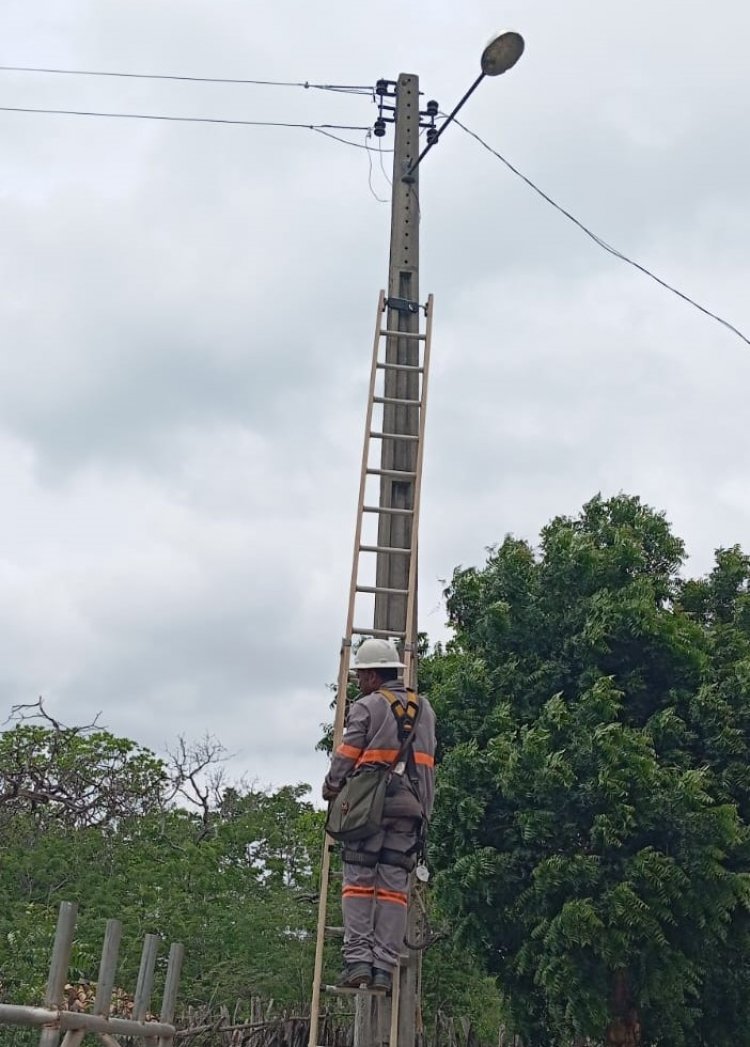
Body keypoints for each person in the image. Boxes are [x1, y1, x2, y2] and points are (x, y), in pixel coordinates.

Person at [322, 638, 436, 992]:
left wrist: (332, 787)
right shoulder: (426, 709)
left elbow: (346, 755)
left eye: (360, 674)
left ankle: (358, 962)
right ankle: (384, 967)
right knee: (392, 889)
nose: (357, 680)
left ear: (372, 674)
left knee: (358, 881)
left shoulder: (367, 707)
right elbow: (428, 766)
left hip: (367, 811)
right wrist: (424, 817)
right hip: (411, 810)